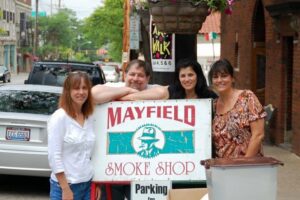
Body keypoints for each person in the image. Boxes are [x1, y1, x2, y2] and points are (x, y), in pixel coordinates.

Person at [92, 59, 153, 200]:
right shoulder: (114, 86)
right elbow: (94, 94)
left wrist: (128, 96)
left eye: (140, 75)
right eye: (132, 74)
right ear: (125, 74)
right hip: (114, 166)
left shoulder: (152, 87)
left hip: (144, 169)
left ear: (148, 78)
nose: (136, 79)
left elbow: (163, 93)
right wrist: (126, 90)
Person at [47, 71, 95, 200]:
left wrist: (96, 184)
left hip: (88, 184)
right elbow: (54, 156)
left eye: (84, 88)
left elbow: (92, 154)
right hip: (66, 185)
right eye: (76, 88)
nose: (81, 92)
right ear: (68, 91)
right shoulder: (59, 117)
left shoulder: (90, 117)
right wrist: (65, 189)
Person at [208, 59, 266, 158]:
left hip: (247, 167)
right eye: (215, 77)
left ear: (232, 78)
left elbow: (258, 134)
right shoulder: (212, 106)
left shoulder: (247, 98)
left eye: (224, 76)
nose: (219, 80)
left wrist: (243, 164)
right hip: (222, 168)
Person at [119, 58, 217, 101]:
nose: (186, 79)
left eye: (190, 75)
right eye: (183, 76)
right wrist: (122, 97)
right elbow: (159, 92)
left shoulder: (210, 96)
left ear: (198, 76)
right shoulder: (172, 92)